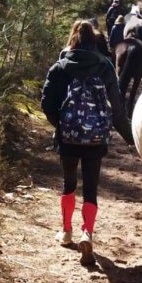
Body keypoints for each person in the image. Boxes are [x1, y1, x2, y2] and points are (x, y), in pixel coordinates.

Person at [41, 20, 133, 265]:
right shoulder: (104, 66)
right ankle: (88, 233)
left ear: (72, 37)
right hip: (95, 139)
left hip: (68, 138)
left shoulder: (60, 67)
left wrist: (60, 125)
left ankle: (67, 231)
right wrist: (131, 138)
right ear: (94, 41)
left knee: (69, 183)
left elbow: (47, 104)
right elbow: (117, 109)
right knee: (91, 188)